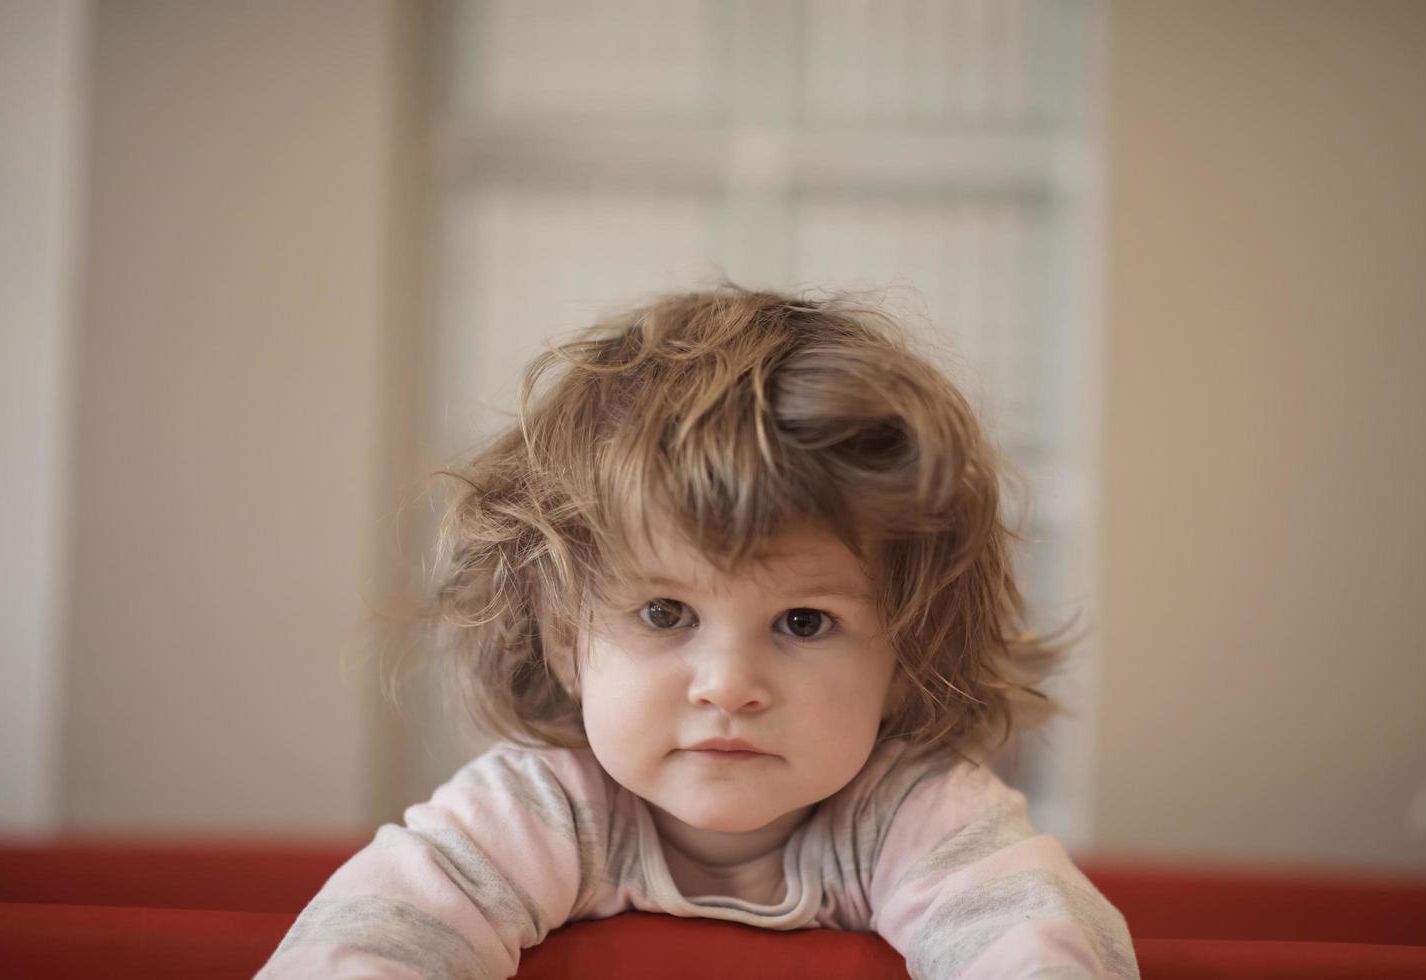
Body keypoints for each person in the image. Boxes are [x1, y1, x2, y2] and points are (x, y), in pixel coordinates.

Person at [256, 287, 1139, 978]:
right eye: (664, 613)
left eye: (803, 621)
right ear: (564, 638)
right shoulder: (540, 809)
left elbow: (1035, 948)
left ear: (910, 655)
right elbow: (366, 948)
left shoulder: (913, 813)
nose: (728, 684)